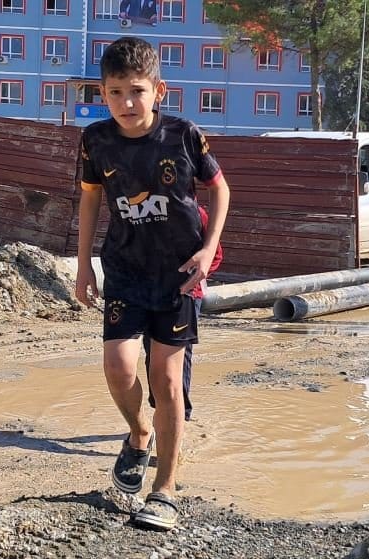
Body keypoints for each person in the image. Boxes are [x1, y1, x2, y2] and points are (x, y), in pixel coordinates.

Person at [74, 36, 230, 532]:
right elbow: (91, 202)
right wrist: (83, 265)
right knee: (119, 368)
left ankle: (164, 490)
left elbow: (220, 188)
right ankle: (138, 433)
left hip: (179, 275)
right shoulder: (95, 141)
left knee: (166, 381)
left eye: (136, 90)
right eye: (115, 91)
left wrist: (207, 250)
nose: (126, 102)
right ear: (102, 93)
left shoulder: (183, 135)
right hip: (123, 270)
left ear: (158, 90)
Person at [143, 204, 223, 422]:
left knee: (180, 355)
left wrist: (190, 281)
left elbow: (214, 255)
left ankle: (180, 414)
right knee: (151, 350)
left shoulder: (198, 214)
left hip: (187, 294)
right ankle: (160, 408)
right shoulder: (146, 212)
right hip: (151, 293)